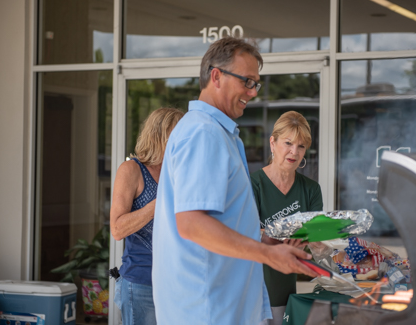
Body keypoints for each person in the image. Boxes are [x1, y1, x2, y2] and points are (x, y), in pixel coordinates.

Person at [152, 36, 320, 325]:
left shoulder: (213, 131)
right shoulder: (204, 133)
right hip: (208, 308)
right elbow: (191, 223)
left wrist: (264, 241)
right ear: (216, 76)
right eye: (247, 81)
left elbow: (222, 218)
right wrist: (268, 255)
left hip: (215, 305)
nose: (253, 92)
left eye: (256, 84)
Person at [110, 107, 184, 325]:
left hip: (179, 282)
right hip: (142, 282)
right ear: (158, 134)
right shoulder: (131, 170)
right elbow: (117, 229)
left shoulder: (181, 172)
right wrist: (160, 201)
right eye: (176, 134)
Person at [251, 111, 323, 325]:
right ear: (273, 143)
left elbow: (318, 241)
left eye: (301, 146)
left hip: (288, 292)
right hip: (254, 293)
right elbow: (245, 233)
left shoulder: (311, 189)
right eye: (288, 143)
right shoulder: (252, 184)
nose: (294, 151)